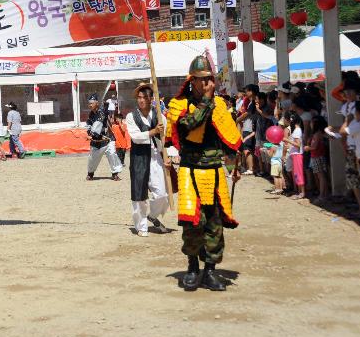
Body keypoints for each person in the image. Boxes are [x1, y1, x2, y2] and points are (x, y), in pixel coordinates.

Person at [166, 56, 242, 292]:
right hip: (191, 171)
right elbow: (190, 126)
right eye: (200, 80)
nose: (205, 83)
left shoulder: (220, 105)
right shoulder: (179, 104)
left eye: (208, 79)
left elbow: (230, 141)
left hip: (215, 170)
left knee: (214, 223)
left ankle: (210, 270)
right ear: (192, 81)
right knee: (192, 224)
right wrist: (208, 102)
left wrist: (233, 168)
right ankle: (191, 267)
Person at [125, 84, 169, 236]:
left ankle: (153, 216)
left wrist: (166, 155)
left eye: (144, 97)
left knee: (162, 194)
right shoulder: (131, 117)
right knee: (139, 193)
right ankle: (141, 226)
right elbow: (136, 137)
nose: (141, 100)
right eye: (139, 97)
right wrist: (152, 131)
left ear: (151, 99)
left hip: (155, 156)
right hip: (139, 157)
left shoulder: (160, 116)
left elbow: (164, 139)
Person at [85, 93, 122, 181]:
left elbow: (99, 123)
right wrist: (89, 133)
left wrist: (93, 134)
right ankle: (90, 173)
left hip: (108, 138)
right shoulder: (91, 114)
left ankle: (115, 174)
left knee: (112, 154)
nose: (90, 105)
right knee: (93, 158)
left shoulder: (102, 112)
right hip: (96, 141)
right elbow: (89, 124)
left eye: (92, 103)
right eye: (89, 103)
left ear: (97, 103)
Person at [304, 116, 329, 203]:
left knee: (321, 176)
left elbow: (314, 147)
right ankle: (324, 194)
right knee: (321, 176)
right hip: (317, 156)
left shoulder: (317, 134)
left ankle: (322, 195)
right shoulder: (318, 133)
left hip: (317, 157)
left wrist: (307, 147)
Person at [285, 111, 305, 199]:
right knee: (296, 174)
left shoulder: (297, 130)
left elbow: (298, 144)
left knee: (298, 174)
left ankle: (302, 192)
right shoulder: (296, 130)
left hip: (297, 154)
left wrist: (287, 140)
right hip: (294, 154)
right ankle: (299, 191)